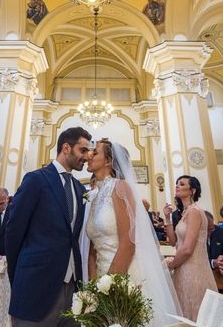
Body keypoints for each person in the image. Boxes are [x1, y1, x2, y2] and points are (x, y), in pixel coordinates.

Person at [85, 139, 181, 326]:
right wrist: (93, 285)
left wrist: (109, 288)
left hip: (123, 275)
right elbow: (92, 248)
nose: (89, 155)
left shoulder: (120, 187)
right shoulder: (96, 195)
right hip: (100, 276)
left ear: (108, 161)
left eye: (94, 152)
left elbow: (128, 243)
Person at [5, 127, 91, 326]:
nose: (86, 157)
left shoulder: (79, 188)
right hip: (35, 284)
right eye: (83, 150)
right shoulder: (36, 179)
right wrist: (19, 276)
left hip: (72, 287)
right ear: (66, 148)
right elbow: (14, 231)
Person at [164, 175, 217, 320]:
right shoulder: (185, 213)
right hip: (183, 269)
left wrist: (172, 264)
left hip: (193, 270)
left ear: (192, 190)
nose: (177, 186)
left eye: (181, 184)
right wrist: (167, 219)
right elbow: (174, 242)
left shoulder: (194, 212)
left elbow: (187, 249)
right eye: (176, 184)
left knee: (193, 316)